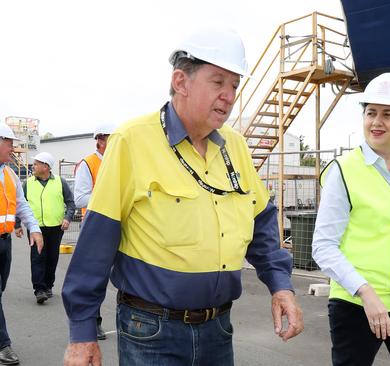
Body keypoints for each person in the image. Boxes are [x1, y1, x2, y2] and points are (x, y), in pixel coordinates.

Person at [62, 26, 303, 366]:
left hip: (219, 329)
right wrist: (82, 333)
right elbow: (96, 244)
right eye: (218, 82)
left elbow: (261, 221)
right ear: (181, 81)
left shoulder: (235, 146)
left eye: (234, 85)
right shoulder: (132, 141)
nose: (229, 95)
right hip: (151, 331)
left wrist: (281, 286)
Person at [312, 72, 390, 366]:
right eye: (371, 113)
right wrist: (365, 292)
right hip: (355, 302)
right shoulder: (342, 171)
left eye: (388, 115)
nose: (377, 122)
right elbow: (323, 246)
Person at [0, 122, 44, 365]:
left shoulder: (10, 173)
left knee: (1, 291)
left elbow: (21, 204)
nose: (13, 149)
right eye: (9, 143)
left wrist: (34, 229)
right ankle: (3, 346)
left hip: (4, 244)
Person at [72, 123, 114, 340]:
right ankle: (93, 322)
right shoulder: (88, 164)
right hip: (95, 228)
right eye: (107, 138)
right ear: (100, 140)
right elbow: (80, 198)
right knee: (94, 280)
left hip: (118, 226)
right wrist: (111, 198)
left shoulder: (119, 161)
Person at [17, 152, 75, 304]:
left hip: (56, 227)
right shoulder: (28, 183)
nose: (33, 166)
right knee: (37, 257)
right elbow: (19, 204)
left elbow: (70, 203)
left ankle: (48, 285)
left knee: (52, 258)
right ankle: (39, 290)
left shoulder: (60, 182)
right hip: (36, 228)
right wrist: (17, 225)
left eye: (36, 164)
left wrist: (67, 218)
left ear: (46, 167)